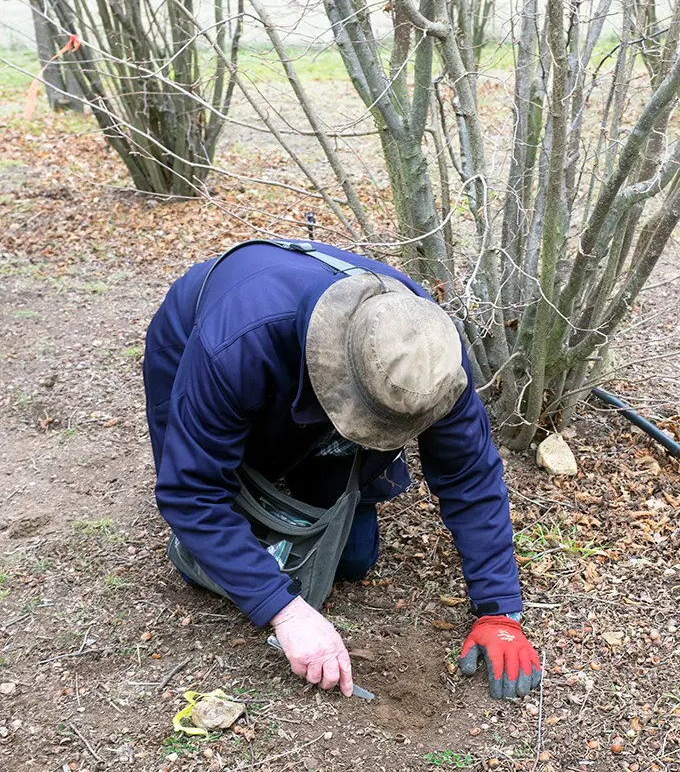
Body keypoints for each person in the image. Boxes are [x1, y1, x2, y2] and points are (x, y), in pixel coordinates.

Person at [143, 239, 541, 700]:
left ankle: (282, 483)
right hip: (205, 331)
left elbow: (468, 474)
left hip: (292, 359)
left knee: (352, 559)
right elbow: (190, 491)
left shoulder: (429, 356)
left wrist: (499, 610)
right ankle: (243, 489)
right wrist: (286, 613)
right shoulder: (234, 346)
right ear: (342, 389)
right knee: (211, 544)